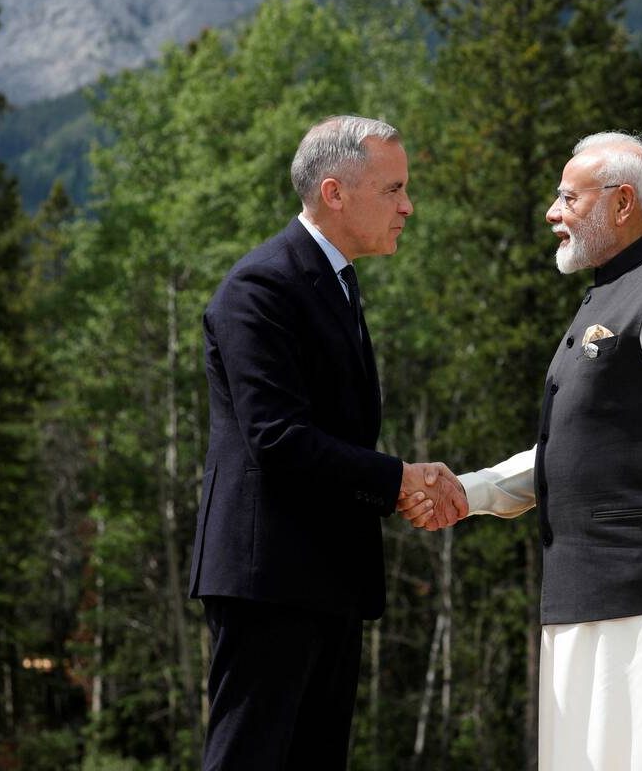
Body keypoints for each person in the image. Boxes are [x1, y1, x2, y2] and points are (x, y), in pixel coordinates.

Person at [399, 132, 642, 769]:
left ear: (622, 204)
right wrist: (470, 492)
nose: (552, 212)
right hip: (583, 601)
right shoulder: (610, 293)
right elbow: (572, 451)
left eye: (569, 197)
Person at [188, 115, 467, 770]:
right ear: (334, 193)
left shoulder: (333, 280)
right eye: (393, 189)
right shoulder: (261, 286)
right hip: (269, 580)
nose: (408, 205)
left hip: (324, 578)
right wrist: (398, 480)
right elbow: (277, 438)